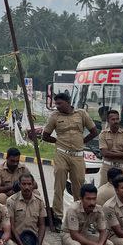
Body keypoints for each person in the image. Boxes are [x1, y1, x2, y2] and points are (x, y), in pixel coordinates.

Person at [42, 93, 99, 230]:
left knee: (79, 187)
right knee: (59, 186)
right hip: (61, 154)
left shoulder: (81, 114)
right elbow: (45, 135)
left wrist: (82, 142)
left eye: (60, 103)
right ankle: (57, 218)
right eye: (56, 104)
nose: (57, 106)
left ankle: (81, 217)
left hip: (78, 155)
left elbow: (94, 131)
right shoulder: (55, 116)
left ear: (68, 103)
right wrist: (58, 141)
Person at [6, 173, 60, 245]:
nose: (26, 187)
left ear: (33, 185)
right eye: (24, 184)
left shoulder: (39, 201)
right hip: (17, 239)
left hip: (34, 238)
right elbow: (12, 227)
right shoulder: (11, 201)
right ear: (19, 185)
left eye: (29, 184)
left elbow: (41, 225)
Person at [98, 110, 123, 185]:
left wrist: (111, 153)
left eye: (117, 119)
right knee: (103, 191)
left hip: (121, 169)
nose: (116, 121)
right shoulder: (103, 134)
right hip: (107, 167)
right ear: (108, 120)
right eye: (113, 119)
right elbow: (104, 153)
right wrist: (122, 154)